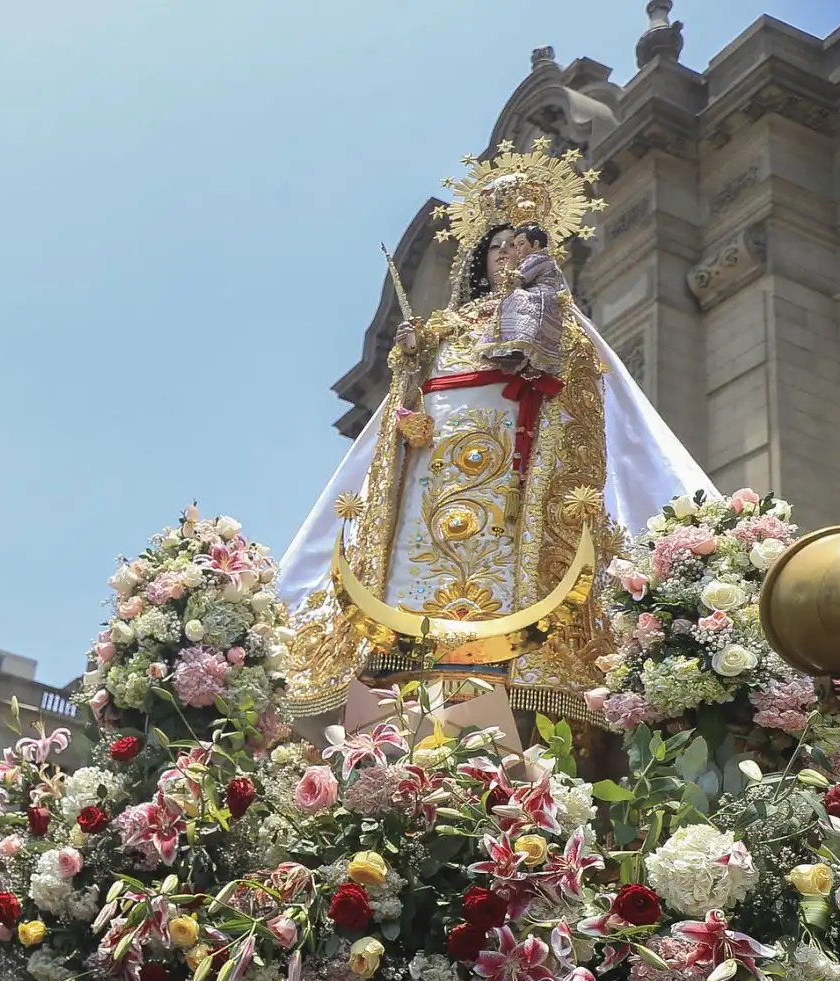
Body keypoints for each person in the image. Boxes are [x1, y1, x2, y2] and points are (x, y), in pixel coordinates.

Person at [276, 139, 714, 725]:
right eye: (498, 247)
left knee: (505, 565)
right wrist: (407, 375)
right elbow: (409, 392)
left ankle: (517, 664)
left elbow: (576, 385)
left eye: (521, 245)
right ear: (479, 258)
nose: (507, 256)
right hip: (434, 476)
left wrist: (538, 317)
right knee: (420, 566)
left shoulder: (550, 316)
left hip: (515, 477)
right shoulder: (445, 327)